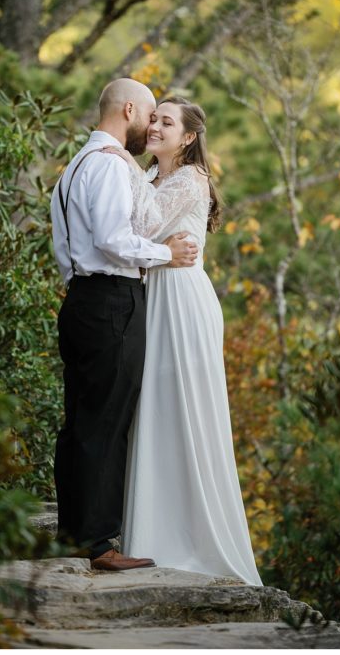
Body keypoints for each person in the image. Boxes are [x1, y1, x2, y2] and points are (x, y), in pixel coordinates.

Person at [100, 96, 263, 585]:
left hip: (183, 303)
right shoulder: (150, 178)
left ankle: (190, 538)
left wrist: (119, 162)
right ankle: (152, 530)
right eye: (154, 118)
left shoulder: (190, 181)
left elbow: (139, 226)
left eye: (166, 122)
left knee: (183, 410)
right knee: (154, 408)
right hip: (154, 299)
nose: (154, 127)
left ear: (188, 137)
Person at [49, 78, 199, 571]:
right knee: (106, 423)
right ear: (129, 110)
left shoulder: (75, 167)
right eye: (150, 116)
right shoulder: (112, 167)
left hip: (80, 299)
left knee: (79, 421)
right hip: (112, 300)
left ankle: (73, 533)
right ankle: (99, 544)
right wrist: (166, 253)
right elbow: (115, 239)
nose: (150, 127)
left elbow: (64, 245)